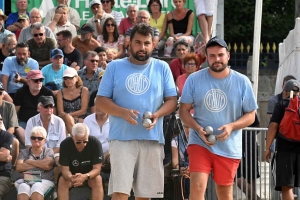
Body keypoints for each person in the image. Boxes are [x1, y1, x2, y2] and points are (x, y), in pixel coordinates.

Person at [96, 23, 177, 199]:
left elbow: (172, 101)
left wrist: (158, 114)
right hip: (122, 138)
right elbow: (100, 101)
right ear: (129, 43)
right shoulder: (114, 67)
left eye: (147, 43)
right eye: (138, 42)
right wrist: (122, 112)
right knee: (120, 193)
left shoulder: (162, 67)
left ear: (153, 45)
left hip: (153, 138)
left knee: (145, 195)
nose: (142, 47)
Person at [179, 36, 258, 200]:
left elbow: (251, 115)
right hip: (199, 142)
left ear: (228, 56)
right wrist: (197, 128)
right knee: (197, 186)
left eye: (220, 55)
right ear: (206, 57)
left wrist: (231, 126)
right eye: (212, 56)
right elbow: (184, 111)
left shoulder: (242, 81)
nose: (217, 59)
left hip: (229, 146)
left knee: (224, 192)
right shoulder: (194, 79)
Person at [264, 79, 300, 200]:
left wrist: (267, 148)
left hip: (285, 150)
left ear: (285, 91)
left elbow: (273, 126)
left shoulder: (281, 105)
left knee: (286, 186)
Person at [57, 123, 104, 200]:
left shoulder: (95, 143)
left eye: (85, 141)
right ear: (72, 136)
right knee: (63, 180)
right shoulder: (65, 144)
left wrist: (85, 176)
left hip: (90, 175)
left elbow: (97, 169)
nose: (83, 144)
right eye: (78, 142)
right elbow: (65, 170)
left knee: (97, 179)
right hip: (72, 175)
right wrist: (71, 177)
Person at [25, 96, 66, 181]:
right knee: (27, 164)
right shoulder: (31, 121)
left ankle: (54, 188)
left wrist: (48, 154)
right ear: (38, 108)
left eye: (51, 106)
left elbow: (61, 145)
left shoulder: (60, 122)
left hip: (55, 153)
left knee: (60, 164)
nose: (49, 108)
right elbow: (28, 145)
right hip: (35, 152)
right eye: (46, 106)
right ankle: (33, 183)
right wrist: (40, 156)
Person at [15, 126, 55, 200]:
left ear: (44, 140)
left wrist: (29, 161)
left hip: (44, 180)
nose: (36, 140)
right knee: (23, 187)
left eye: (40, 138)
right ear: (30, 139)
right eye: (33, 138)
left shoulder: (49, 151)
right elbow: (19, 167)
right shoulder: (24, 152)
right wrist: (40, 163)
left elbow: (47, 166)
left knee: (37, 186)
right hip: (25, 180)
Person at [57, 67, 89, 135]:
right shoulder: (60, 92)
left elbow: (83, 111)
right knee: (67, 119)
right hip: (65, 119)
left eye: (71, 78)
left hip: (80, 118)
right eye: (66, 78)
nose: (68, 80)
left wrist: (69, 116)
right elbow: (60, 112)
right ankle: (75, 138)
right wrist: (69, 117)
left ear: (77, 78)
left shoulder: (84, 90)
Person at [236, 114, 261, 200]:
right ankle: (256, 198)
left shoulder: (249, 109)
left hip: (249, 144)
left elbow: (257, 126)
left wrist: (248, 134)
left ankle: (254, 198)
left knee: (251, 175)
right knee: (237, 177)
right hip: (235, 146)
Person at [0, 82, 23, 165]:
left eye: (0, 93)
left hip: (6, 135)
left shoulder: (10, 106)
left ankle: (12, 168)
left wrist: (5, 139)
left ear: (3, 95)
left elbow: (12, 128)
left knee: (15, 142)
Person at [171, 122, 190, 200]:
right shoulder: (175, 141)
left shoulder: (199, 140)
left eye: (190, 127)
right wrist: (179, 168)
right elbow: (175, 160)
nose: (188, 130)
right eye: (186, 127)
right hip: (183, 169)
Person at [0, 113, 13, 199]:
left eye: (1, 119)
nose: (0, 121)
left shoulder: (7, 136)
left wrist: (4, 156)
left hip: (2, 176)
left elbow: (3, 156)